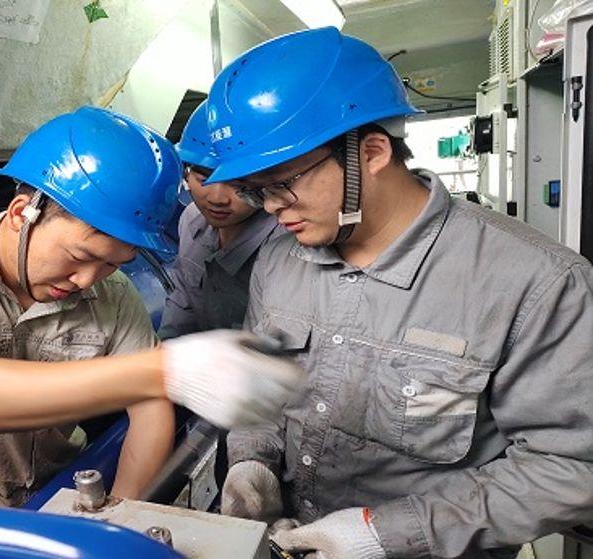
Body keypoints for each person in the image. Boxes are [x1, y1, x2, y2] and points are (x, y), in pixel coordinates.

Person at [210, 28, 593, 558]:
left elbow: (570, 465)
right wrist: (252, 460)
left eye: (281, 183)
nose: (271, 207)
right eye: (255, 191)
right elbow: (262, 392)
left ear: (370, 153)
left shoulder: (536, 283)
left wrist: (386, 533)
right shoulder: (278, 260)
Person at [0, 106, 305, 507]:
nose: (87, 281)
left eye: (113, 264)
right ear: (22, 213)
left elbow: (150, 413)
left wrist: (118, 519)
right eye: (81, 256)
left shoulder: (114, 296)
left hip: (50, 501)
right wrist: (167, 370)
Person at [159, 100, 280, 339]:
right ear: (186, 172)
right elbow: (183, 302)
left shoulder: (285, 246)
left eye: (238, 184)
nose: (217, 198)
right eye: (204, 178)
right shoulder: (191, 220)